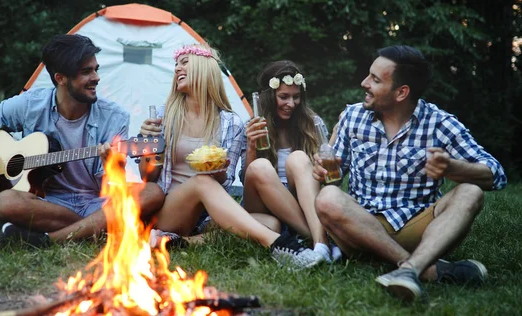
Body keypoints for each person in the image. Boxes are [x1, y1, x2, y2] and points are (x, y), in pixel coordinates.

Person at [313, 45, 507, 301]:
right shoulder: (353, 116)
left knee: (470, 191)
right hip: (361, 229)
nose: (364, 83)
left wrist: (454, 168)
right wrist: (325, 171)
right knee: (327, 197)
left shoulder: (439, 122)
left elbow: (497, 175)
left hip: (418, 228)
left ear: (401, 92)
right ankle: (416, 268)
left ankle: (409, 267)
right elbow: (334, 177)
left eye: (375, 79)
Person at [0, 34, 164, 248]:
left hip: (95, 202)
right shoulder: (31, 104)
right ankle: (98, 229)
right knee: (4, 202)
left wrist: (114, 165)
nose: (96, 77)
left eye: (96, 69)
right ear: (60, 78)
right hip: (47, 202)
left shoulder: (114, 116)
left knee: (152, 193)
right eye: (86, 72)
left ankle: (47, 240)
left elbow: (116, 184)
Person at [138, 44, 324, 269]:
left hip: (208, 218)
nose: (177, 69)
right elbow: (148, 178)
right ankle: (280, 246)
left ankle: (182, 243)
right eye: (176, 64)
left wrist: (218, 171)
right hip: (170, 211)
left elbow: (225, 182)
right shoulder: (162, 116)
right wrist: (149, 147)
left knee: (270, 223)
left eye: (184, 62)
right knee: (201, 182)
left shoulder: (230, 123)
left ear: (203, 68)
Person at [241, 60, 341, 263]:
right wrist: (251, 146)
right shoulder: (255, 125)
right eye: (284, 97)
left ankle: (320, 247)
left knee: (298, 158)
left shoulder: (312, 124)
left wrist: (324, 165)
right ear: (269, 97)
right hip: (262, 203)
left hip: (300, 201)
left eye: (296, 97)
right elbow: (245, 179)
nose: (291, 104)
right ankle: (324, 239)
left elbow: (328, 181)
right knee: (260, 166)